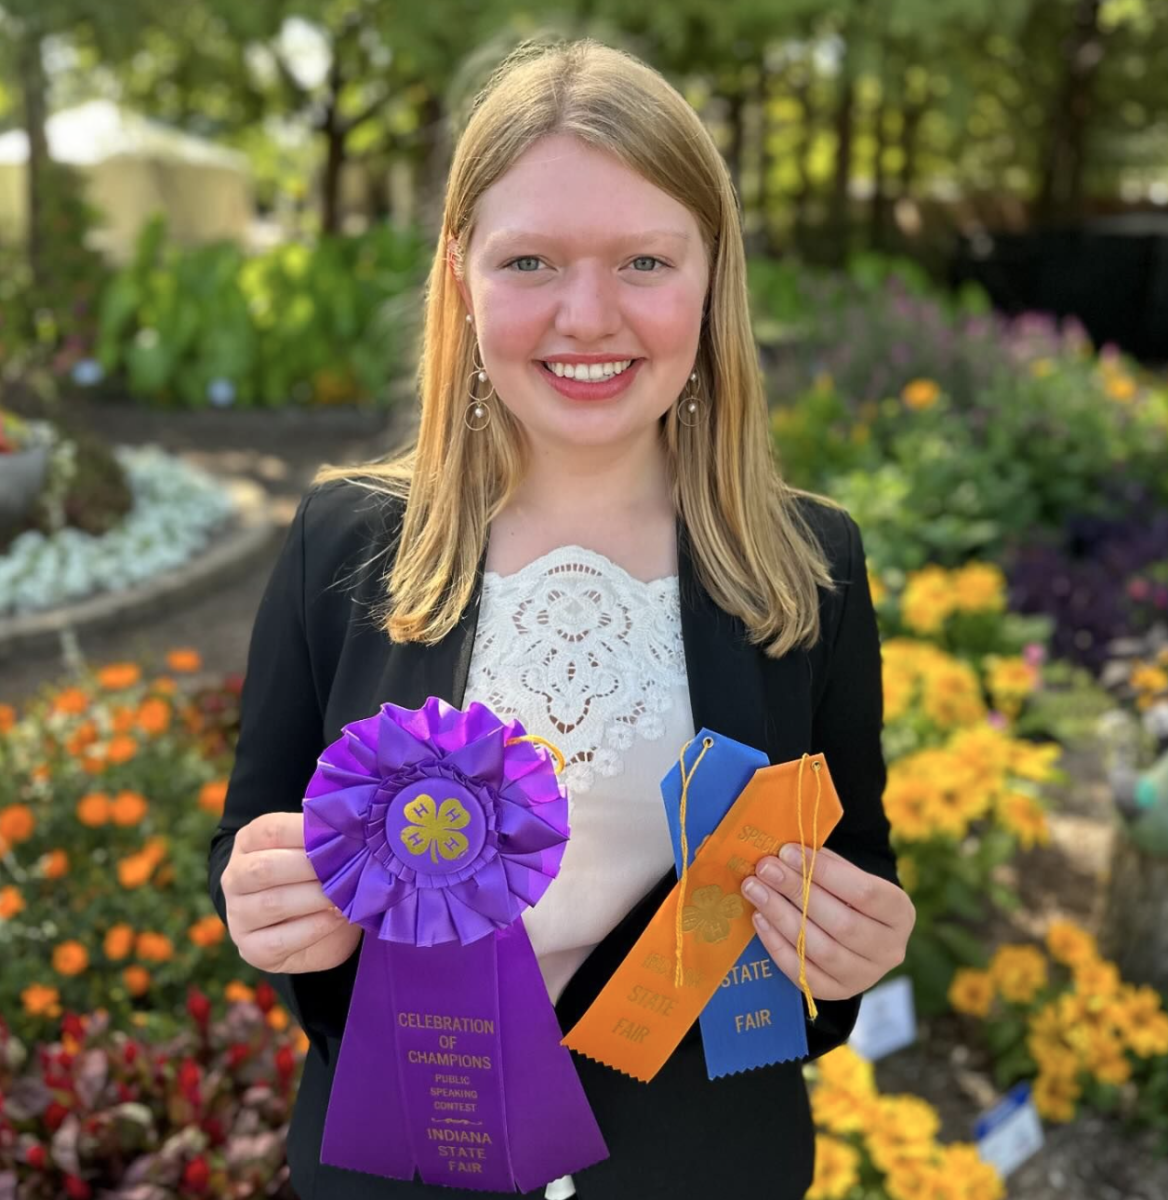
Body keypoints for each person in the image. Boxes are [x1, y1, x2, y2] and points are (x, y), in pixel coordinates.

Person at [207, 35, 914, 1200]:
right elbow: (252, 837)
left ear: (711, 277)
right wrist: (266, 903)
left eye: (643, 260)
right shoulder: (341, 543)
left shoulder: (808, 566)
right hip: (404, 1161)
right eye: (529, 260)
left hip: (704, 1166)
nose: (587, 316)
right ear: (460, 277)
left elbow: (854, 860)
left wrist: (853, 949)